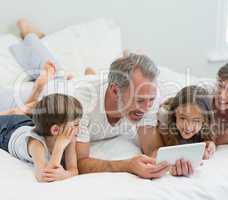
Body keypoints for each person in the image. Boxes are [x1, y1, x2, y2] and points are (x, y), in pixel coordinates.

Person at [11, 19, 170, 179]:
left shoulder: (147, 95)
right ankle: (28, 33)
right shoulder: (80, 104)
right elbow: (80, 162)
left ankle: (81, 71)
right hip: (55, 92)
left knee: (62, 72)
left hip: (80, 83)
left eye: (151, 99)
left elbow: (152, 149)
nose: (147, 107)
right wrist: (127, 165)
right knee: (46, 67)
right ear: (115, 90)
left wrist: (170, 163)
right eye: (140, 101)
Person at [0, 62, 83, 182]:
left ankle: (34, 97)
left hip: (29, 124)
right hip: (7, 129)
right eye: (75, 124)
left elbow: (74, 170)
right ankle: (32, 96)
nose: (78, 129)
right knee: (14, 114)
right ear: (55, 130)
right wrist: (59, 147)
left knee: (23, 114)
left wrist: (66, 175)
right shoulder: (36, 144)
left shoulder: (69, 138)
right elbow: (44, 176)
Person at [155, 85, 216, 176]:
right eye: (183, 118)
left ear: (204, 121)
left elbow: (209, 141)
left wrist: (210, 145)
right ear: (175, 114)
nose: (188, 127)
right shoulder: (165, 123)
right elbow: (158, 152)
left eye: (196, 121)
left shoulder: (205, 127)